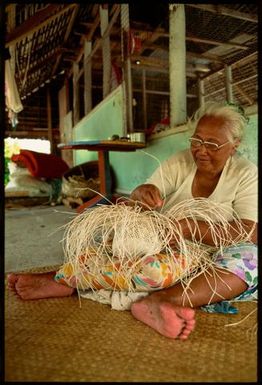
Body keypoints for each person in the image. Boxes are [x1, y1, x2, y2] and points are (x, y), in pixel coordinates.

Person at [7, 102, 257, 340]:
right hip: (163, 240)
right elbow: (145, 195)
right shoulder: (181, 161)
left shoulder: (245, 174)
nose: (201, 150)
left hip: (209, 252)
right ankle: (62, 278)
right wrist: (142, 194)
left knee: (250, 259)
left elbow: (250, 231)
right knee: (116, 244)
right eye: (196, 140)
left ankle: (162, 300)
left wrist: (189, 228)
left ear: (234, 145)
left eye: (212, 144)